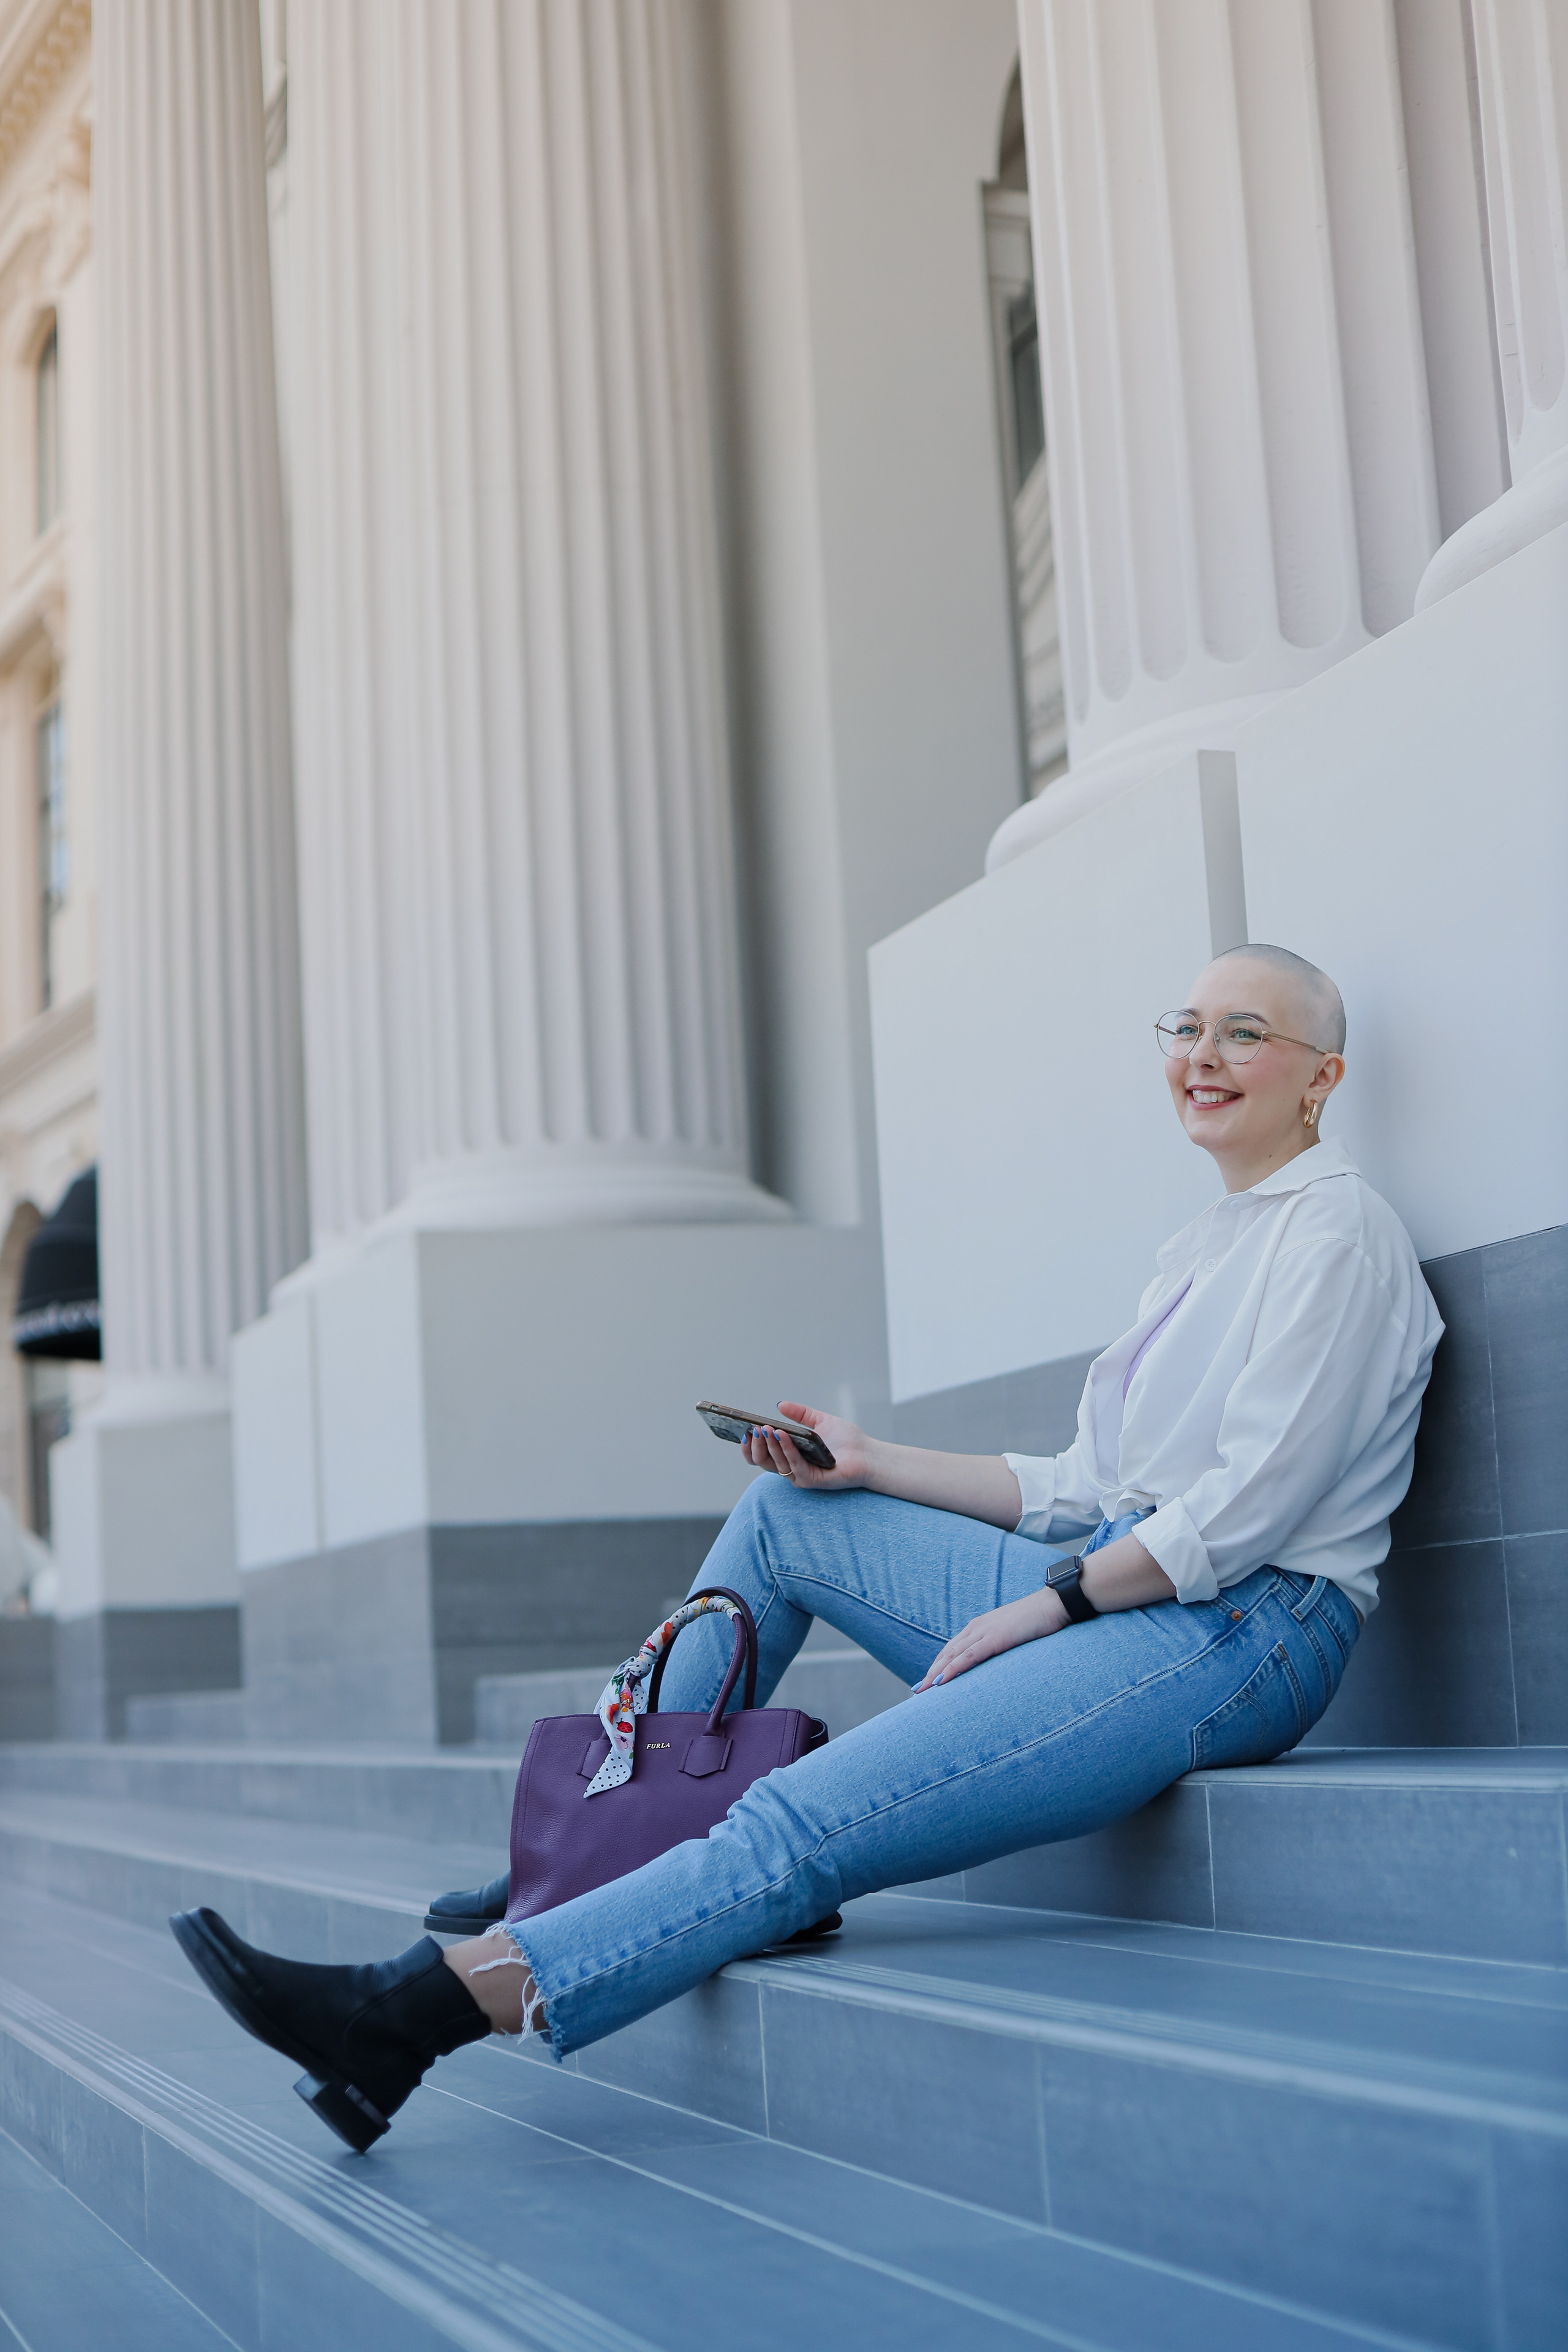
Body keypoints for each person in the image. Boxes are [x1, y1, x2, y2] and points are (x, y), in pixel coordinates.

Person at [172, 944, 1442, 2153]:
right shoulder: (1203, 1247)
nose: (1201, 1054)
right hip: (1127, 1582)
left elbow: (1245, 1514)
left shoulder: (1334, 1233)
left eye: (1244, 1034)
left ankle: (400, 2021)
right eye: (1185, 1029)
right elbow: (1085, 1487)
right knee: (788, 1516)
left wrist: (1049, 1609)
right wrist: (873, 1461)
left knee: (789, 1822)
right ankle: (606, 1843)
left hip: (1238, 1630)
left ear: (1320, 1076)